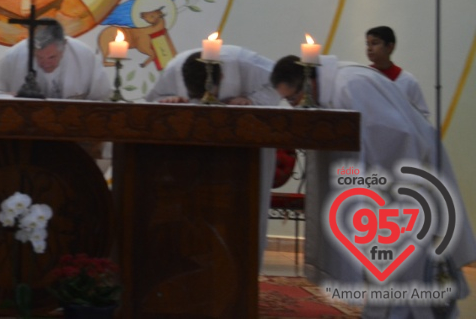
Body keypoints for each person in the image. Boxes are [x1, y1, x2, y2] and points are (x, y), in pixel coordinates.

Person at [271, 54, 476, 318]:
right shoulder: (336, 86)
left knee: (408, 259)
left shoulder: (352, 86)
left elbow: (395, 137)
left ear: (307, 83)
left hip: (405, 177)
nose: (296, 106)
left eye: (293, 99)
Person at [145, 45, 279, 265]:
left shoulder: (247, 63)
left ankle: (245, 266)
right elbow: (154, 99)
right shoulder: (175, 67)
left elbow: (278, 85)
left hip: (245, 152)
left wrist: (252, 100)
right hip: (193, 155)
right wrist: (170, 99)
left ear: (224, 77)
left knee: (243, 212)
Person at [0, 20, 109, 100]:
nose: (45, 63)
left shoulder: (84, 56)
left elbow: (101, 96)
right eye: (39, 57)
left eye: (52, 57)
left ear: (64, 46)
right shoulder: (14, 55)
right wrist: (12, 97)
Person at [366, 25, 430, 119]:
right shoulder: (364, 77)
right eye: (368, 44)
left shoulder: (408, 81)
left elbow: (422, 116)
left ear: (390, 47)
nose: (369, 48)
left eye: (375, 43)